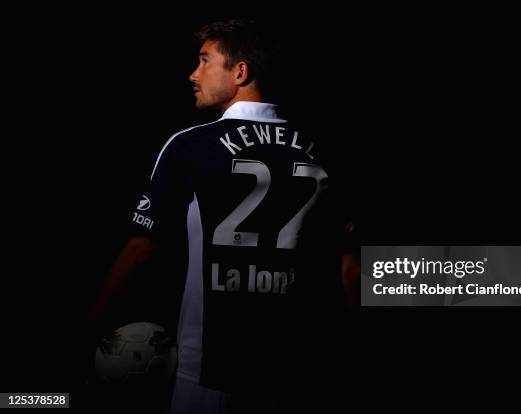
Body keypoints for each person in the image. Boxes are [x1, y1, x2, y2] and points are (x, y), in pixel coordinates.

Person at [89, 18, 359, 413]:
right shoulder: (321, 152)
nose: (192, 74)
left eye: (204, 61)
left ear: (240, 71)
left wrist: (93, 319)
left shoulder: (190, 145)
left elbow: (140, 249)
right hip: (294, 374)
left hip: (207, 374)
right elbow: (349, 272)